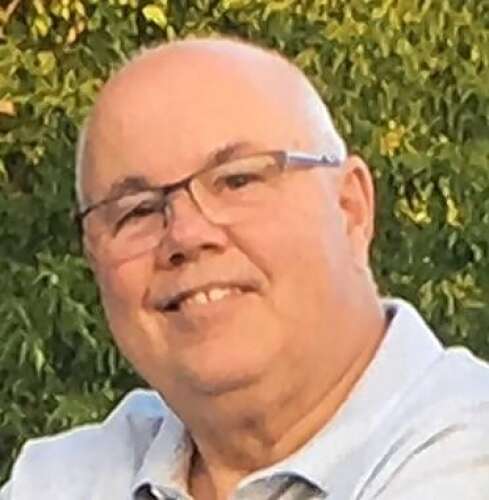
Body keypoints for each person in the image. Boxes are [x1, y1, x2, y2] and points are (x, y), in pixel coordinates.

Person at [2, 37, 489, 500]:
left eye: (236, 181)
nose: (186, 235)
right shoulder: (63, 477)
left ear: (350, 208)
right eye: (137, 211)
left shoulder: (469, 449)